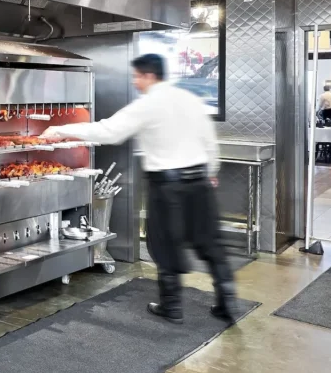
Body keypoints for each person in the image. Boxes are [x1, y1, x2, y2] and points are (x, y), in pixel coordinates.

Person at [40, 53, 236, 325]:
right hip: (199, 181)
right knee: (209, 241)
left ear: (148, 75)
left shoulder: (148, 104)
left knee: (165, 242)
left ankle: (171, 306)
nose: (134, 82)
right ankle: (227, 301)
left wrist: (61, 130)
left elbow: (109, 131)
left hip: (168, 185)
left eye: (136, 77)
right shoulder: (189, 100)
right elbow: (210, 142)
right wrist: (211, 172)